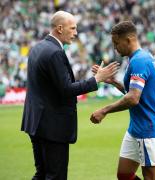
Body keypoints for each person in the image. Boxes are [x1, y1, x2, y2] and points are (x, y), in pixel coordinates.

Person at [21, 11, 119, 180]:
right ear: (60, 28)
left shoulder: (38, 47)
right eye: (72, 28)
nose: (75, 33)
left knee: (42, 174)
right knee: (55, 176)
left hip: (36, 122)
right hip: (52, 126)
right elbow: (66, 89)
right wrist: (97, 79)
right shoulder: (54, 52)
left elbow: (56, 85)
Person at [90, 21, 155, 180]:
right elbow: (135, 92)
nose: (115, 48)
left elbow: (133, 98)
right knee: (124, 175)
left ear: (129, 40)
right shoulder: (137, 58)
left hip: (148, 127)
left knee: (152, 177)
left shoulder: (140, 61)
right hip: (136, 128)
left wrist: (104, 110)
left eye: (116, 43)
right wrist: (113, 81)